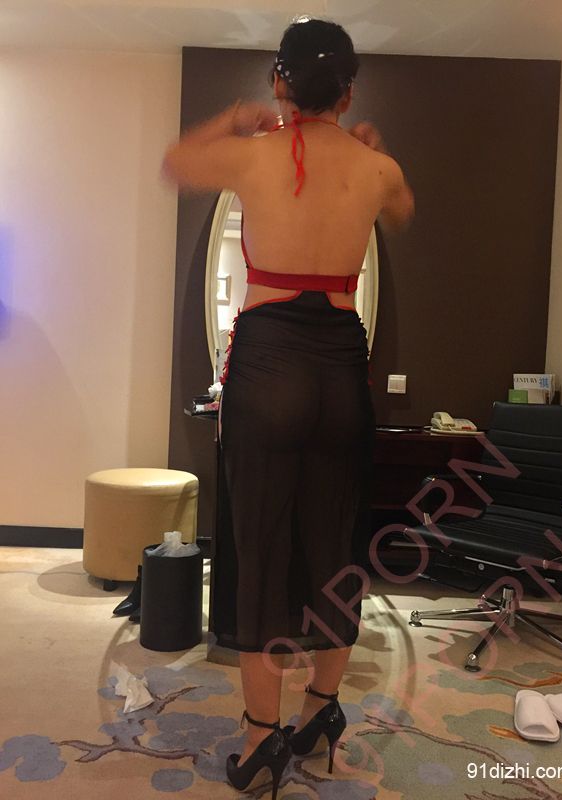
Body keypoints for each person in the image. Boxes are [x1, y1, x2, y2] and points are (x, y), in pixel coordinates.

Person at [162, 17, 414, 798]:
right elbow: (403, 208)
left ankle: (260, 740)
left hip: (269, 360)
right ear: (348, 91)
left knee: (261, 547)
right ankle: (321, 710)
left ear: (281, 82)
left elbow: (175, 163)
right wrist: (370, 148)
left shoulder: (254, 152)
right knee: (335, 542)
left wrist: (236, 118)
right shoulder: (377, 168)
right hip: (340, 362)